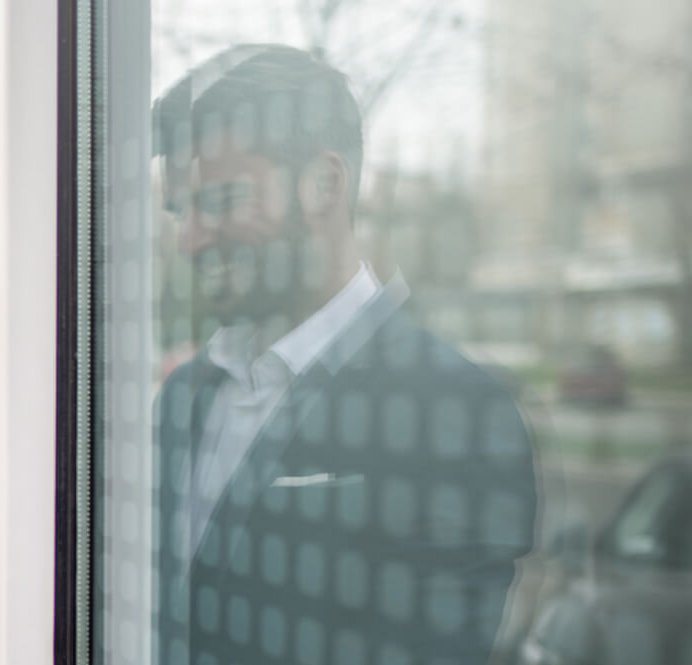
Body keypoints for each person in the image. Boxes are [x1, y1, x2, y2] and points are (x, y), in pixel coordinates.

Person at [149, 45, 538, 665]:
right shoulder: (182, 397)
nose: (191, 239)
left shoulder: (454, 408)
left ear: (325, 184)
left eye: (220, 202)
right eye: (180, 211)